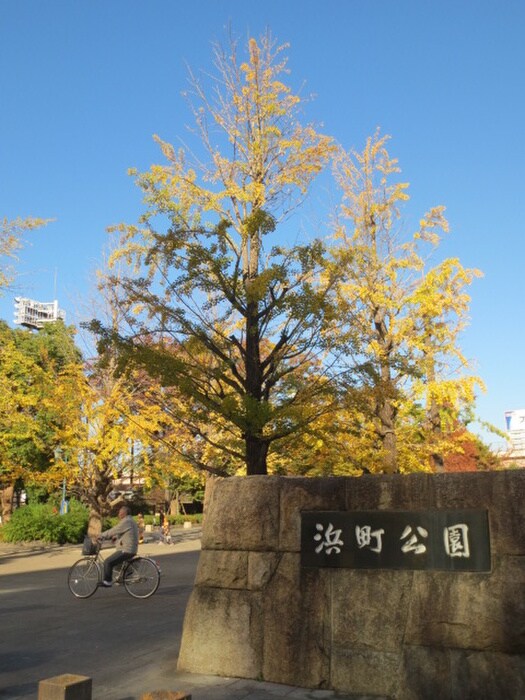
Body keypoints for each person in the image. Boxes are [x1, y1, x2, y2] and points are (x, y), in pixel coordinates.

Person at [98, 505, 139, 587]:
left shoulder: (126, 521)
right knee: (116, 564)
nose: (118, 515)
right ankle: (126, 573)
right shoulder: (131, 521)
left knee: (107, 562)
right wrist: (116, 537)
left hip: (126, 549)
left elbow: (114, 530)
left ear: (124, 513)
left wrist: (101, 535)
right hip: (130, 548)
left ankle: (108, 581)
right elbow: (125, 533)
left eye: (120, 513)